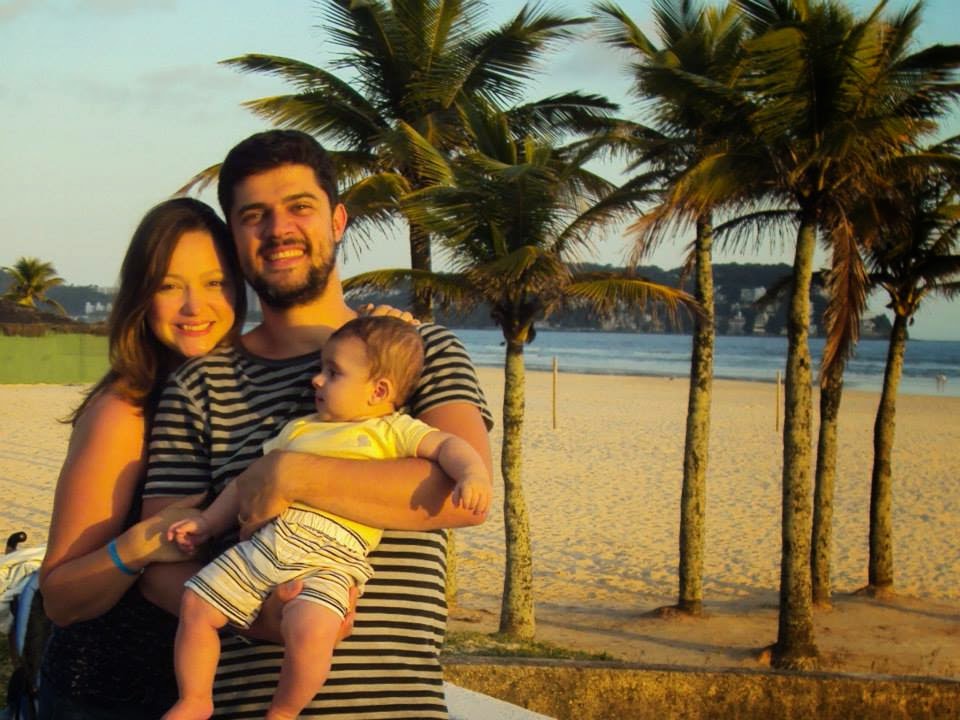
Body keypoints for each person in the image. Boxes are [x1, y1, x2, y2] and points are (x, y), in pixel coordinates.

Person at [140, 129, 493, 719]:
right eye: (254, 215)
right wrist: (262, 617)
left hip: (394, 709)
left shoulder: (417, 352)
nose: (278, 229)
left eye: (299, 207)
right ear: (234, 237)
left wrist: (288, 474)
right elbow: (159, 564)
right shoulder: (199, 384)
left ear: (337, 220)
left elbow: (462, 498)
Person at [163, 316, 491, 720]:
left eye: (333, 372)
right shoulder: (299, 429)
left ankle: (284, 711)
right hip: (268, 543)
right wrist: (209, 523)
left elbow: (448, 447)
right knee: (196, 602)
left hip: (332, 559)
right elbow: (246, 483)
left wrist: (472, 474)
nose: (316, 380)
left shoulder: (392, 430)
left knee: (313, 629)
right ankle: (195, 698)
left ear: (378, 391)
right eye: (321, 369)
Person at [37, 197, 247, 719]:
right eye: (170, 286)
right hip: (106, 696)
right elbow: (59, 598)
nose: (195, 306)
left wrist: (385, 331)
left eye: (214, 282)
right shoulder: (125, 411)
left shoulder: (243, 392)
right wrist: (139, 545)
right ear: (142, 296)